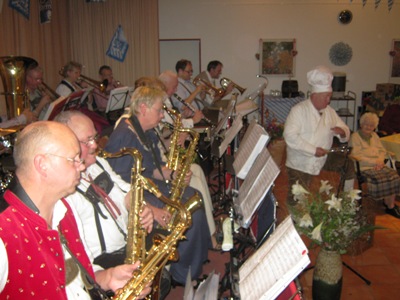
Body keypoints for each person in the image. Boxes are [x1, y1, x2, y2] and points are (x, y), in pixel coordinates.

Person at [0, 121, 151, 299]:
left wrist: (107, 277)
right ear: (42, 165)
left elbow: (75, 275)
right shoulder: (5, 232)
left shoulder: (64, 209)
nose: (81, 165)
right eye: (74, 159)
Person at [55, 110, 171, 299]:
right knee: (159, 278)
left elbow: (125, 189)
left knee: (165, 246)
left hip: (125, 241)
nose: (95, 145)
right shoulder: (65, 186)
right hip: (102, 258)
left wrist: (140, 206)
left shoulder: (99, 162)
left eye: (95, 137)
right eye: (87, 141)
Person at [104, 86, 211, 286]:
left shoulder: (144, 130)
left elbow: (152, 167)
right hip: (137, 194)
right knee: (187, 212)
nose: (162, 115)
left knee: (194, 196)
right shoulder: (124, 135)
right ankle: (182, 274)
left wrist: (173, 174)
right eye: (159, 110)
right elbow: (120, 183)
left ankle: (195, 258)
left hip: (150, 184)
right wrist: (151, 206)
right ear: (143, 108)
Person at [283, 65, 355, 205]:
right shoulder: (298, 110)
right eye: (327, 97)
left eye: (329, 96)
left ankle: (347, 200)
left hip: (323, 156)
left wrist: (342, 132)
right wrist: (313, 150)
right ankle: (293, 222)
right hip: (300, 162)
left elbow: (345, 128)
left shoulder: (329, 111)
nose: (329, 100)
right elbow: (290, 136)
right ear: (315, 95)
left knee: (348, 164)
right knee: (298, 198)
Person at [350, 112, 400, 219]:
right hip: (364, 167)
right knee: (381, 178)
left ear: (375, 126)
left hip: (378, 164)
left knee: (394, 175)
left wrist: (381, 161)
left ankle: (389, 205)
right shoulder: (355, 137)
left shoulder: (375, 136)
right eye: (366, 124)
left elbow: (382, 150)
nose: (369, 127)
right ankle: (388, 205)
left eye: (371, 125)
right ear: (361, 124)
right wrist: (374, 163)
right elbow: (356, 155)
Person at [56, 61, 110, 135]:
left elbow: (89, 102)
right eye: (76, 73)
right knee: (97, 126)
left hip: (82, 111)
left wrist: (88, 93)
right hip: (72, 116)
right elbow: (65, 107)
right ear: (69, 73)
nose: (79, 75)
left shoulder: (76, 85)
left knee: (103, 123)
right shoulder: (62, 87)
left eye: (79, 72)